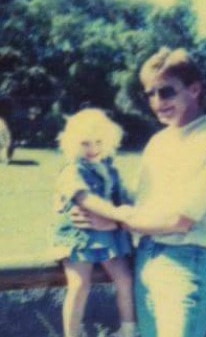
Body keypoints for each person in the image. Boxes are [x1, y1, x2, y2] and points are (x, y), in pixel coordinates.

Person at [72, 47, 206, 337]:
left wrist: (116, 221)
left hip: (187, 262)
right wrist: (88, 207)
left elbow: (179, 220)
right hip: (145, 257)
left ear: (194, 89)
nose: (157, 102)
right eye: (149, 93)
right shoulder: (159, 142)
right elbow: (138, 203)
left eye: (166, 92)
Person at [52, 108, 137, 337]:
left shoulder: (110, 169)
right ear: (72, 144)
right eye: (85, 143)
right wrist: (118, 214)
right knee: (79, 284)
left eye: (98, 142)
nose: (93, 149)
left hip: (110, 238)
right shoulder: (71, 171)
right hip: (79, 237)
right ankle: (72, 333)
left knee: (125, 278)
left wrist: (129, 208)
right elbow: (84, 198)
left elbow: (127, 197)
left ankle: (128, 329)